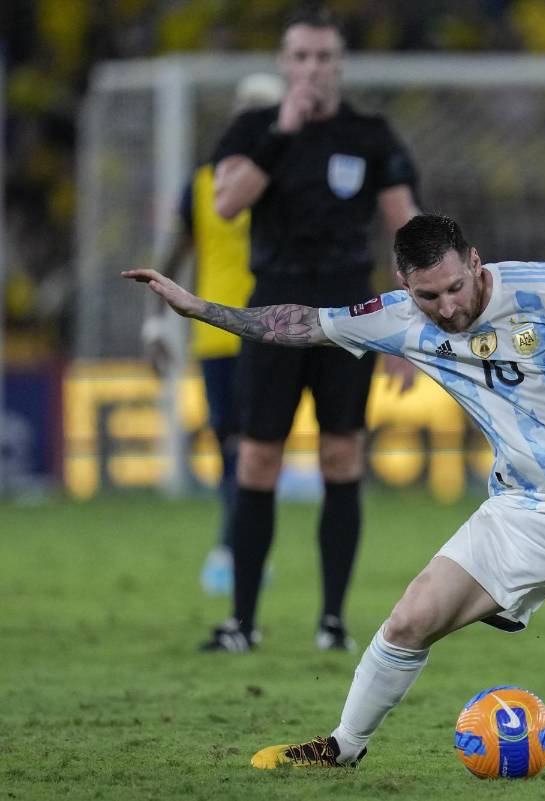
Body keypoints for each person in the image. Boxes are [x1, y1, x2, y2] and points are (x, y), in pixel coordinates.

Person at [124, 213, 545, 780]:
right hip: (518, 504)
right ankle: (342, 745)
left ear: (476, 264)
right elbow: (298, 323)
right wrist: (198, 308)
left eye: (453, 287)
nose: (446, 308)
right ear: (402, 286)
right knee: (409, 619)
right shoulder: (395, 319)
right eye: (427, 297)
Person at [203, 7, 421, 652]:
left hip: (349, 315)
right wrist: (283, 131)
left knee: (341, 455)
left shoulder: (371, 134)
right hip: (272, 311)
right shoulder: (252, 128)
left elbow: (406, 228)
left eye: (323, 57)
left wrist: (409, 324)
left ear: (340, 64)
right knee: (258, 458)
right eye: (300, 58)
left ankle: (333, 621)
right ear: (282, 63)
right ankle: (241, 622)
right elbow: (226, 201)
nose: (312, 69)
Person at [141, 72, 285, 597]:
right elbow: (174, 253)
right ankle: (235, 547)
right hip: (218, 333)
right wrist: (155, 321)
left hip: (274, 329)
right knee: (234, 447)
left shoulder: (288, 177)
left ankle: (240, 547)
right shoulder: (204, 183)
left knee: (256, 445)